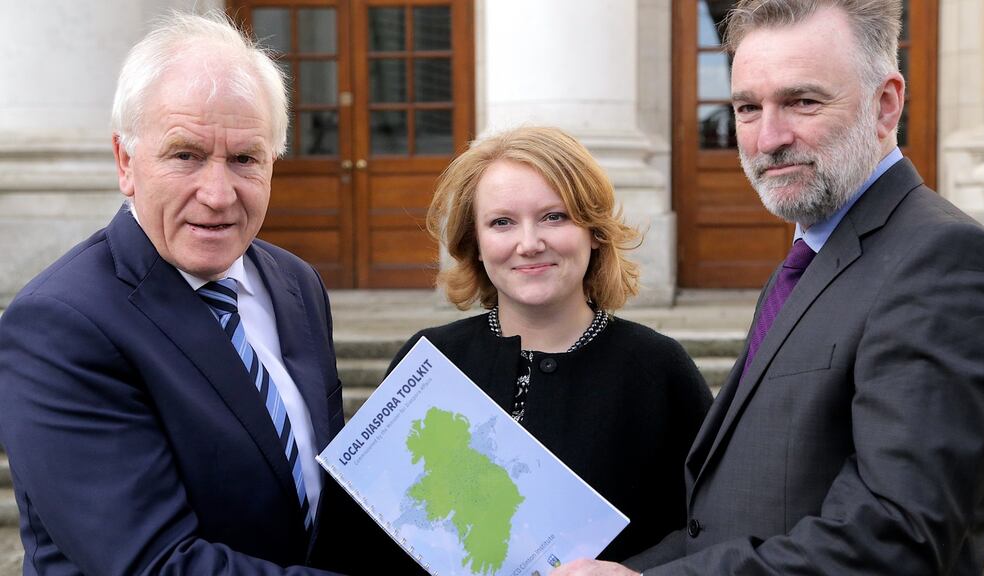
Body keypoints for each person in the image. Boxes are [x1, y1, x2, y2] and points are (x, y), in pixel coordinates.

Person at [554, 1, 984, 575]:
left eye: (802, 101)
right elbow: (731, 520)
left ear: (886, 104)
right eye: (748, 107)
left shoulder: (944, 264)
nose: (768, 137)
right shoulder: (810, 259)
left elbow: (897, 539)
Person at [0, 11, 351, 575]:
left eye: (245, 159)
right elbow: (155, 564)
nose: (217, 194)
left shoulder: (296, 284)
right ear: (126, 161)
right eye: (186, 155)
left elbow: (323, 493)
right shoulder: (59, 324)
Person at [338, 126, 712, 574]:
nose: (529, 242)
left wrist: (639, 573)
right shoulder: (432, 358)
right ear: (474, 244)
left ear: (594, 231)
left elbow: (710, 524)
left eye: (555, 217)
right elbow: (368, 530)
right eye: (502, 222)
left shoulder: (657, 368)